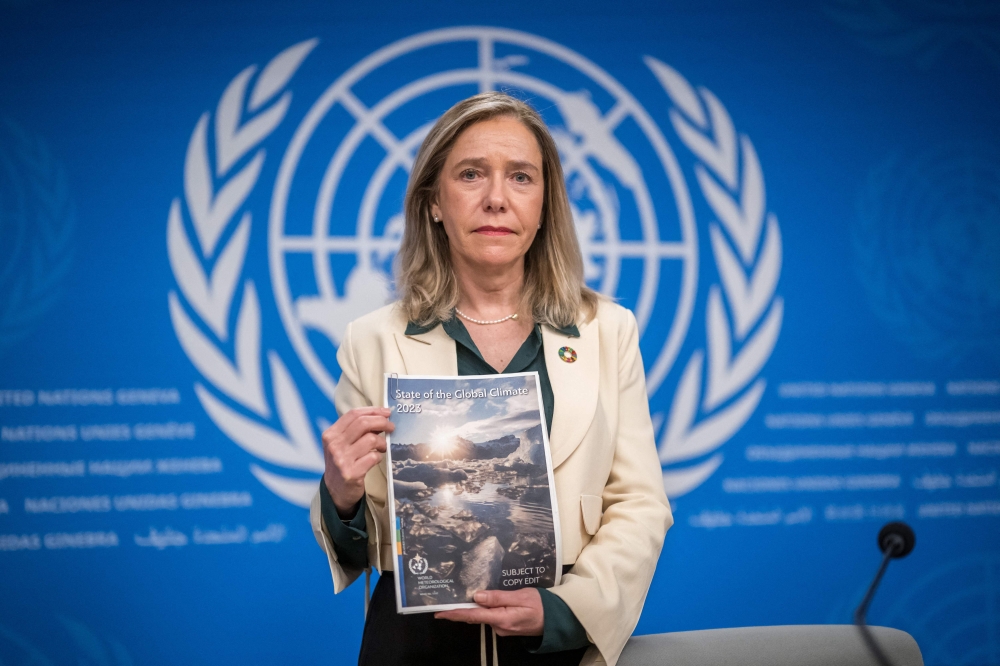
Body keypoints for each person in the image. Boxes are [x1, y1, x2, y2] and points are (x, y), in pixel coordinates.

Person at [310, 91, 672, 666]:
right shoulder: (372, 339)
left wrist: (567, 610)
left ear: (545, 203)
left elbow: (640, 502)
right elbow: (367, 535)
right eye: (471, 174)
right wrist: (343, 495)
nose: (497, 199)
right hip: (418, 646)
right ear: (433, 202)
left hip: (559, 644)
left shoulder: (608, 330)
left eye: (521, 177)